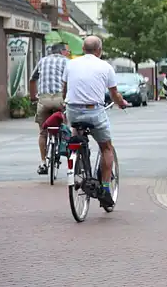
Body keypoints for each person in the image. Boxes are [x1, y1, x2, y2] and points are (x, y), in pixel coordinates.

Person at [63, 36, 128, 209]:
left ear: (83, 49)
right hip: (94, 111)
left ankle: (78, 164)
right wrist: (121, 103)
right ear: (99, 50)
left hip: (73, 111)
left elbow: (65, 90)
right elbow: (114, 94)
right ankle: (105, 189)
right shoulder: (105, 67)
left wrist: (66, 107)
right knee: (106, 147)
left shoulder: (70, 64)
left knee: (77, 136)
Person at [29, 42, 70, 175]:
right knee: (67, 125)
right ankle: (68, 151)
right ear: (62, 51)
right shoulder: (67, 62)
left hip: (44, 100)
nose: (68, 53)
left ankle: (43, 162)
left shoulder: (42, 61)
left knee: (43, 132)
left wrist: (33, 98)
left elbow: (32, 79)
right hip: (60, 99)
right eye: (67, 51)